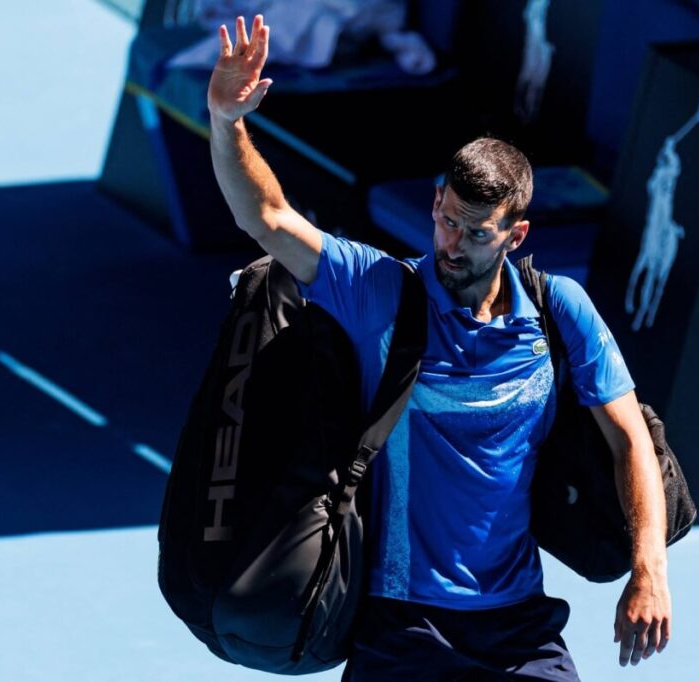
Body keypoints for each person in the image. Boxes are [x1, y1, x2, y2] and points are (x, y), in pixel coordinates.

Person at [208, 15, 672, 679]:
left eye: (476, 233)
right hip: (399, 624)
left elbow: (631, 439)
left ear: (516, 236)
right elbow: (268, 218)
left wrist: (649, 571)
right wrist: (228, 122)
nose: (453, 243)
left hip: (517, 624)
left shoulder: (558, 308)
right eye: (446, 220)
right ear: (435, 203)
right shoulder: (380, 291)